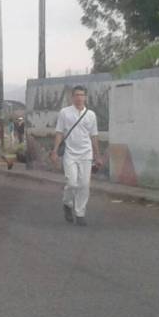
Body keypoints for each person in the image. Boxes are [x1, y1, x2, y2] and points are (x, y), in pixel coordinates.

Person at [51, 86, 102, 227]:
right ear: (72, 97)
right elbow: (59, 132)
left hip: (86, 154)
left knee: (84, 184)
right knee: (72, 183)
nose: (79, 97)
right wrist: (55, 151)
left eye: (82, 95)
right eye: (77, 95)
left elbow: (94, 136)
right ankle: (67, 204)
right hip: (70, 154)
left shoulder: (91, 115)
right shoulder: (65, 113)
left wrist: (97, 155)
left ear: (85, 97)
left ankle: (80, 213)